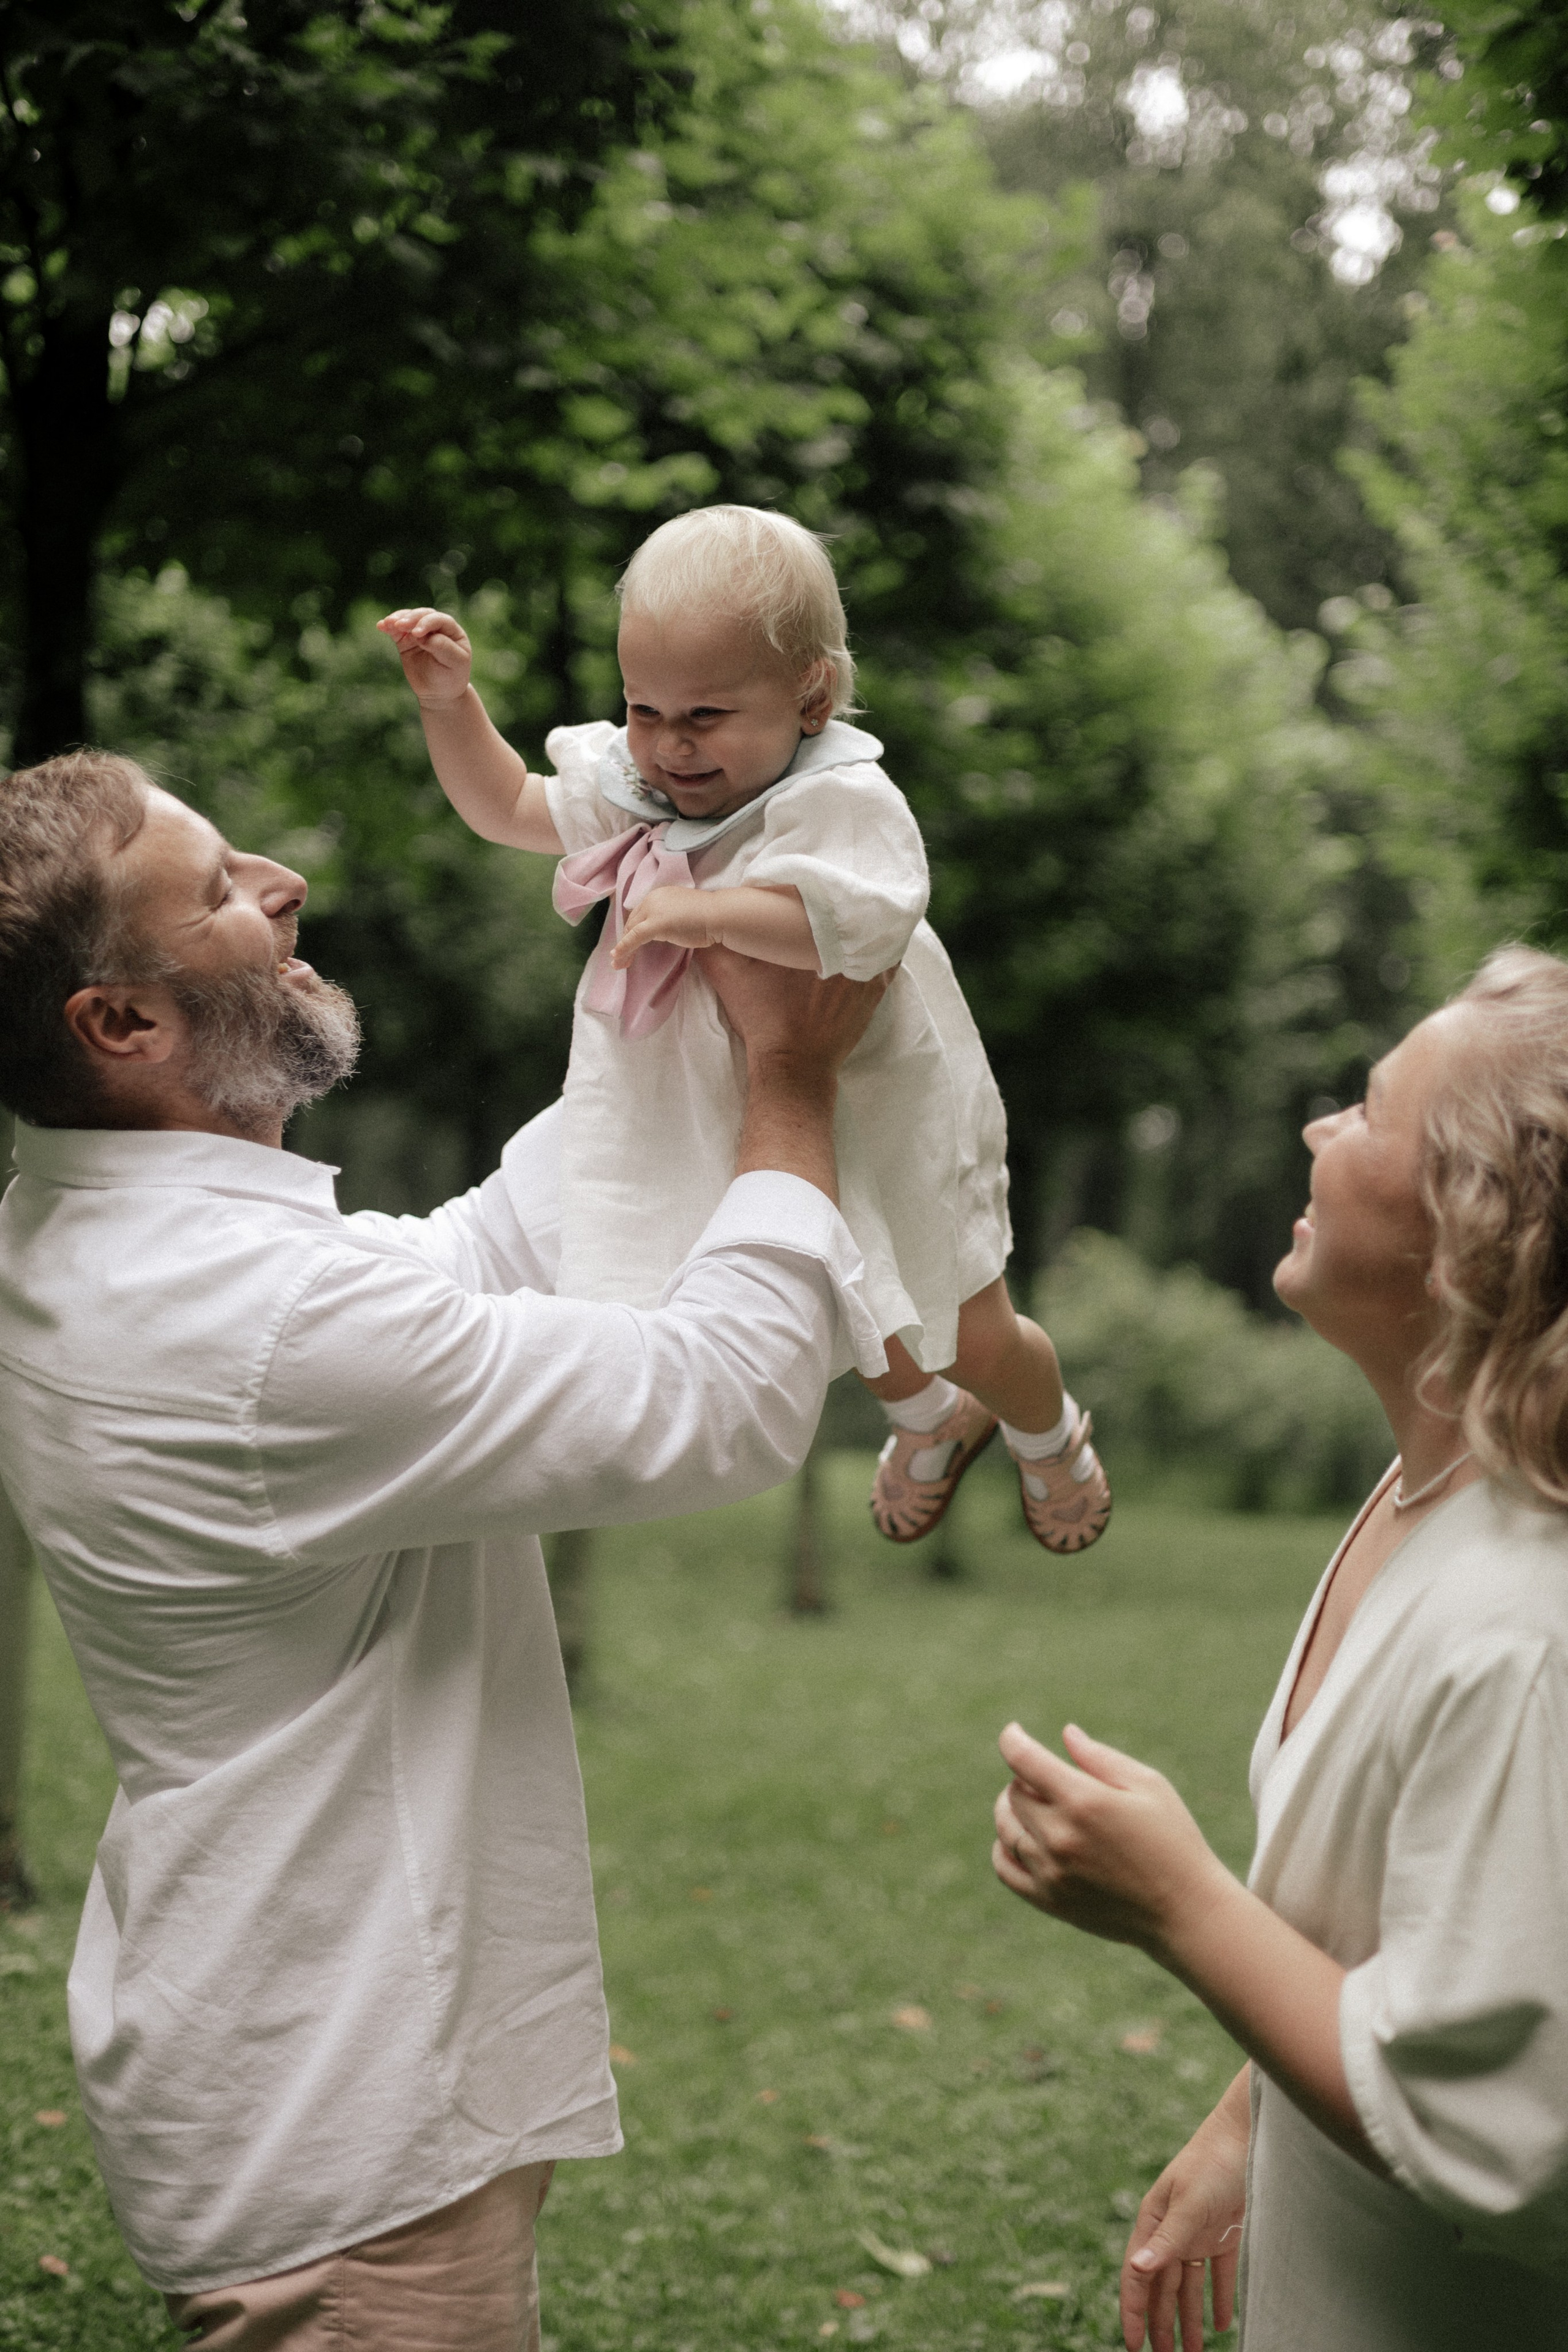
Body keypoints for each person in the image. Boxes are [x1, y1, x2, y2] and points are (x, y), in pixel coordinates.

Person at [0, 745, 894, 2350]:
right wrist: (793, 1085)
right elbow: (725, 1402)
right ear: (121, 1024)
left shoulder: (94, 1228)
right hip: (351, 2147)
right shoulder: (255, 1318)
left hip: (289, 2068)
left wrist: (655, 996)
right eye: (214, 891)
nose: (280, 884)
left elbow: (478, 1254)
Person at [990, 946, 1568, 2352]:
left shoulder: (1526, 1631)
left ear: (1468, 1230)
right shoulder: (1425, 1492)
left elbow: (1511, 2138)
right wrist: (1249, 2113)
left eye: (1366, 1113)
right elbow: (1407, 1932)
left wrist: (1180, 1902)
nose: (1316, 1131)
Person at [377, 503, 1110, 1556]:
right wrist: (453, 707)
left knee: (963, 1319)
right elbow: (510, 809)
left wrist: (711, 909)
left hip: (873, 1095)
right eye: (643, 709)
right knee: (844, 1305)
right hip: (725, 1111)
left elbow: (862, 919)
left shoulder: (838, 801)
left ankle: (1049, 1436)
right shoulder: (643, 782)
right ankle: (931, 1424)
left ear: (811, 695)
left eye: (706, 715)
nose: (670, 746)